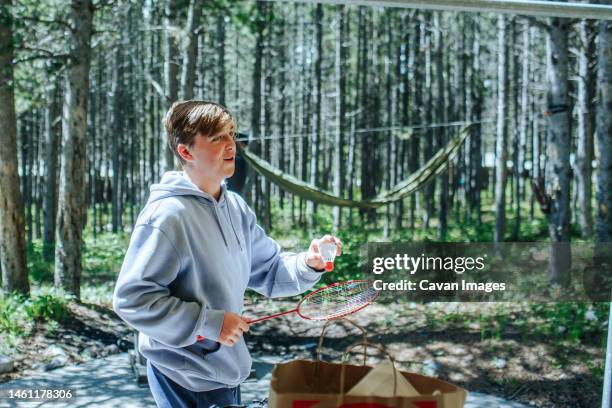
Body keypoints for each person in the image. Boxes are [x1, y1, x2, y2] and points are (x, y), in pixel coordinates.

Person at [112, 100, 342, 408]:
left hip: (226, 370)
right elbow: (132, 300)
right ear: (186, 151)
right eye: (218, 137)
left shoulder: (235, 208)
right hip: (182, 376)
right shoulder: (168, 216)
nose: (231, 144)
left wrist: (307, 262)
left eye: (231, 134)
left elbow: (270, 270)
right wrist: (210, 324)